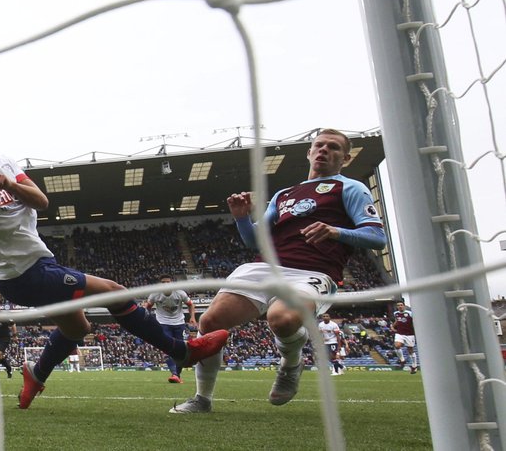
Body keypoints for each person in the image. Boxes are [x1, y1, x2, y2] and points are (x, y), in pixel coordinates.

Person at [0, 113, 228, 410]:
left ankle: (35, 375)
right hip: (21, 273)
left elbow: (41, 201)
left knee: (77, 329)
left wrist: (9, 184)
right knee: (115, 291)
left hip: (37, 264)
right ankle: (180, 351)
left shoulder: (6, 163)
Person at [170, 128, 387, 414]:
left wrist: (335, 231)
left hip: (313, 272)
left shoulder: (349, 188)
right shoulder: (285, 194)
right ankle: (202, 399)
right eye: (318, 145)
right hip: (264, 267)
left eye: (333, 147)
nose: (323, 150)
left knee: (282, 319)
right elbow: (253, 240)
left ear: (345, 158)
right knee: (210, 323)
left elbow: (376, 236)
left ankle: (291, 364)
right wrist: (242, 219)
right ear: (309, 153)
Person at [143, 274, 198, 383]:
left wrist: (192, 317)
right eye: (163, 283)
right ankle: (174, 374)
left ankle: (177, 375)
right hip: (163, 323)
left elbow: (190, 304)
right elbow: (148, 306)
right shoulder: (155, 293)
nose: (166, 284)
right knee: (168, 349)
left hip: (179, 323)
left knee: (180, 350)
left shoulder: (180, 292)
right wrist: (147, 318)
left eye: (168, 282)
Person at [392, 301, 419, 374]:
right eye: (398, 305)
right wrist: (393, 326)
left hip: (409, 334)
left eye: (401, 305)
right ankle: (402, 360)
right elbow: (397, 321)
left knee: (410, 350)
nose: (400, 306)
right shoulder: (396, 313)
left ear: (404, 306)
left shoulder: (410, 313)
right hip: (400, 333)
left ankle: (414, 366)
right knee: (397, 345)